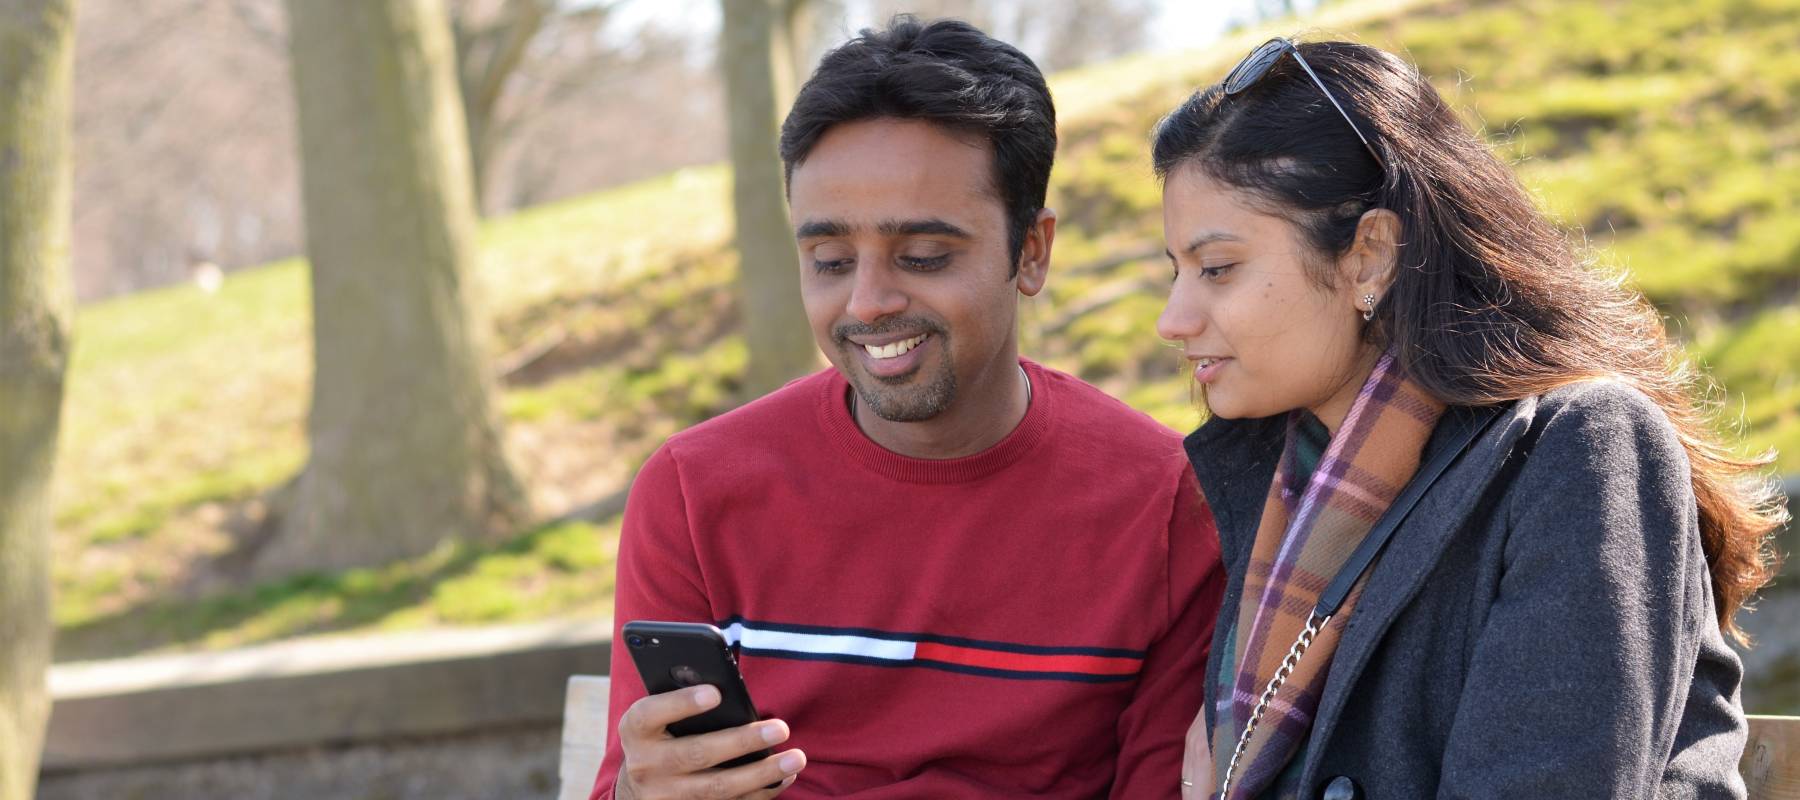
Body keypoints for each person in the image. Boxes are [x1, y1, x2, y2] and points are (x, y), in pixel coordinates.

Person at [591, 18, 1226, 800]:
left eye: (923, 257)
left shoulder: (1166, 502)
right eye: (828, 260)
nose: (867, 302)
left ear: (1031, 252)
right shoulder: (694, 491)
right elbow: (634, 782)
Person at [1152, 37, 1783, 800]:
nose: (1173, 318)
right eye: (1175, 270)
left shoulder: (1580, 450)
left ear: (1371, 257)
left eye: (1217, 269)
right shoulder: (1279, 478)